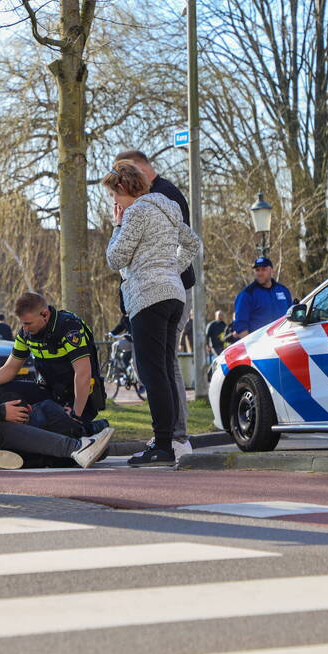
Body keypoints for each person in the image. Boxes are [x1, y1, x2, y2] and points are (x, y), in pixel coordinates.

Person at [104, 161, 201, 466]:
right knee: (164, 369)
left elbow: (115, 257)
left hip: (148, 297)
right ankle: (170, 438)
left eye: (113, 196)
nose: (113, 203)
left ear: (123, 189)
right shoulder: (168, 207)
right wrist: (172, 269)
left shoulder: (135, 212)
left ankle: (161, 444)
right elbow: (193, 243)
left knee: (152, 372)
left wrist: (117, 225)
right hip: (173, 295)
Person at [0, 292, 105, 431]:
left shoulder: (69, 328)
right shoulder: (25, 333)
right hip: (50, 393)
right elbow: (9, 369)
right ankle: (21, 429)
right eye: (22, 323)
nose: (24, 328)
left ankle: (87, 427)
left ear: (44, 314)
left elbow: (83, 374)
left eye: (28, 323)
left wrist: (76, 414)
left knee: (58, 426)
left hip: (78, 398)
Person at [0, 391, 114, 470]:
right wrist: (0, 411)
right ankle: (76, 447)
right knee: (2, 428)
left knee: (14, 443)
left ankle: (81, 443)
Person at [232, 257, 293, 338]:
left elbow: (291, 316)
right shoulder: (246, 295)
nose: (260, 273)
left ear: (271, 271)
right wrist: (252, 347)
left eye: (263, 269)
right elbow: (241, 326)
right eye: (257, 270)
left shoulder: (283, 291)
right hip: (260, 345)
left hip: (282, 342)